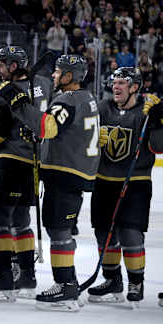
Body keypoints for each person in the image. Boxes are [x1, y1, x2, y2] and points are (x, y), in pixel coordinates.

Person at [0, 46, 52, 302]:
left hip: (10, 160)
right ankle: (28, 277)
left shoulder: (5, 92)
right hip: (33, 162)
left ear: (13, 66)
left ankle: (5, 279)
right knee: (20, 219)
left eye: (2, 64)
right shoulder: (42, 84)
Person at [28, 55, 100, 312]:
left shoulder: (67, 100)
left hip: (65, 172)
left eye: (59, 73)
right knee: (60, 229)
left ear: (71, 76)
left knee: (58, 230)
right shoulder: (87, 98)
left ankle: (66, 285)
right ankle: (67, 282)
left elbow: (48, 128)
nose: (55, 76)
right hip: (76, 173)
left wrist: (23, 109)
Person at [88, 67, 163, 306]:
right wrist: (91, 139)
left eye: (122, 83)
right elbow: (85, 138)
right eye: (114, 82)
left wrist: (159, 118)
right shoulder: (102, 107)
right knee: (103, 233)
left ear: (134, 87)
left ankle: (136, 281)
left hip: (136, 182)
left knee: (130, 233)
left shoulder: (147, 110)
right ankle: (112, 280)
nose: (116, 87)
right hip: (104, 181)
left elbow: (159, 147)